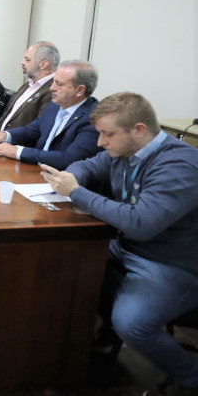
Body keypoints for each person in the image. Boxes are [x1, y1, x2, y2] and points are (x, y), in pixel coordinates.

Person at [40, 93, 198, 396]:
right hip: (126, 245)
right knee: (59, 262)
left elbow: (142, 222)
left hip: (169, 261)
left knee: (133, 324)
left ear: (139, 130)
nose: (101, 142)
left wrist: (76, 193)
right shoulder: (123, 151)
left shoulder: (181, 163)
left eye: (107, 134)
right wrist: (70, 177)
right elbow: (87, 165)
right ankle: (74, 350)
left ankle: (190, 377)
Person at [0, 60, 101, 169]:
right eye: (53, 81)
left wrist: (18, 152)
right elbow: (32, 130)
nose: (51, 88)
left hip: (62, 181)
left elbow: (69, 159)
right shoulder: (54, 106)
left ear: (80, 90)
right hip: (35, 170)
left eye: (59, 84)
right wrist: (6, 135)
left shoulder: (94, 118)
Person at [0, 41, 59, 131]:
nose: (22, 62)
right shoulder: (27, 86)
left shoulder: (53, 91)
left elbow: (38, 129)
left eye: (27, 60)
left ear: (43, 64)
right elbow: (6, 116)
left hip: (15, 144)